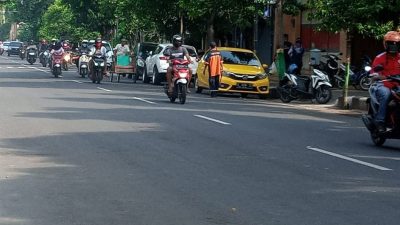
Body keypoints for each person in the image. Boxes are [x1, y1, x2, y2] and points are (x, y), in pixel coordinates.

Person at [370, 31, 400, 133]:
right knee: (386, 94)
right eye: (391, 43)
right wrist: (380, 76)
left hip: (398, 85)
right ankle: (380, 121)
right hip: (383, 84)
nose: (394, 46)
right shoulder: (380, 57)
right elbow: (374, 73)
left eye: (396, 44)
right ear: (386, 44)